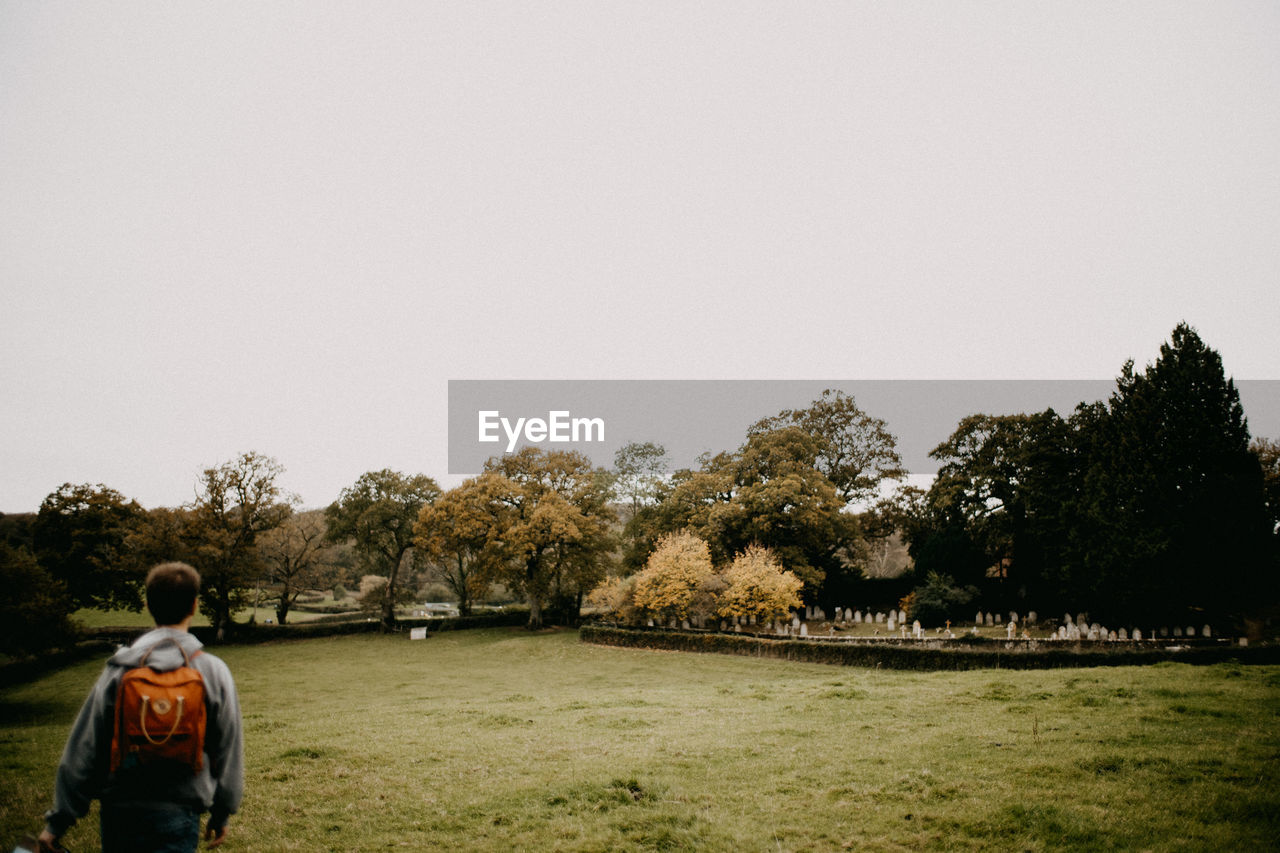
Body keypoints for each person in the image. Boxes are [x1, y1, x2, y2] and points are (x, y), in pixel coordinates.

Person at [38, 562, 244, 852]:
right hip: (180, 813)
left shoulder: (119, 671)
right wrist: (222, 811)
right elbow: (228, 748)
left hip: (120, 813)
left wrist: (58, 822)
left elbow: (85, 747)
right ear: (194, 606)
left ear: (148, 605)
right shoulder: (212, 671)